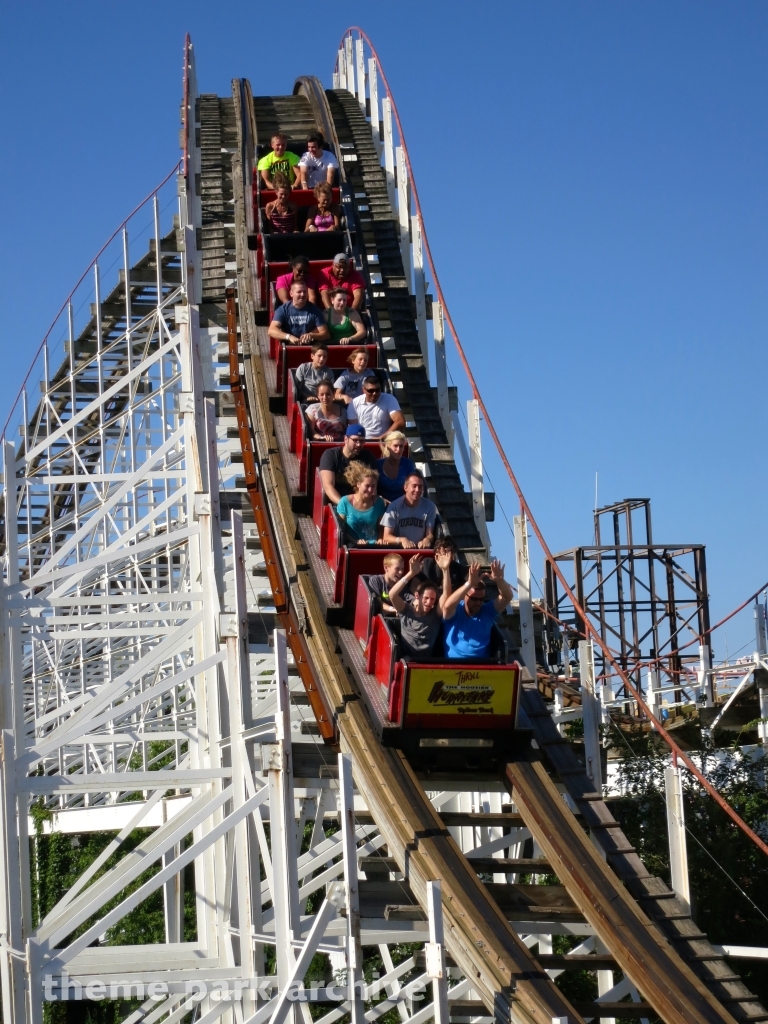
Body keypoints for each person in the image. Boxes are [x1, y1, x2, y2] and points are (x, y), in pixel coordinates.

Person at [442, 560, 514, 659]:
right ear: (465, 596)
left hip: (480, 667)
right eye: (474, 599)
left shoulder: (487, 611)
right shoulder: (456, 610)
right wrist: (469, 584)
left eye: (481, 599)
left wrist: (500, 581)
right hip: (454, 665)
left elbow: (507, 597)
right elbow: (446, 607)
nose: (478, 603)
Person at [387, 552, 454, 659]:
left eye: (432, 599)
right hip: (406, 659)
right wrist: (411, 573)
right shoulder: (406, 610)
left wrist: (445, 570)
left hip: (426, 661)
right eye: (426, 598)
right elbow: (392, 595)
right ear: (417, 596)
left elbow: (446, 594)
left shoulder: (435, 615)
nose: (429, 602)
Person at [318, 424, 377, 504]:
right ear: (346, 439)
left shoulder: (368, 456)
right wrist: (344, 505)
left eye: (362, 441)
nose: (359, 444)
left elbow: (373, 486)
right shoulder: (330, 455)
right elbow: (328, 486)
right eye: (355, 440)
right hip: (338, 504)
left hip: (361, 503)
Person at [381, 473, 437, 549]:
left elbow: (430, 534)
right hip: (399, 550)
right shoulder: (394, 507)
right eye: (414, 486)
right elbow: (386, 536)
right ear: (405, 488)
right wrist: (402, 540)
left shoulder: (430, 507)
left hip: (419, 549)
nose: (417, 490)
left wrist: (427, 540)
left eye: (420, 487)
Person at [336, 464, 387, 547]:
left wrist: (380, 539)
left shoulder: (379, 502)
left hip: (374, 545)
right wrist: (355, 541)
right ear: (358, 484)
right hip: (352, 545)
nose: (370, 490)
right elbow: (341, 529)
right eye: (367, 486)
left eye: (373, 486)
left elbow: (381, 527)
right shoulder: (345, 502)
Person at [268, 281, 329, 346]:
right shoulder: (283, 309)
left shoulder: (314, 310)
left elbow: (326, 334)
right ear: (291, 294)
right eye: (299, 292)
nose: (302, 294)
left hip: (310, 346)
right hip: (289, 346)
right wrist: (289, 337)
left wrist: (311, 335)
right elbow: (271, 330)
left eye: (304, 292)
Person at [348, 375, 405, 440]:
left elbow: (400, 422)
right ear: (363, 390)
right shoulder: (355, 403)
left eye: (377, 390)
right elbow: (353, 428)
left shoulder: (389, 399)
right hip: (361, 441)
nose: (375, 393)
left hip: (384, 440)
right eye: (371, 390)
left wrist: (381, 438)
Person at [377, 431, 417, 503]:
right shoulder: (378, 465)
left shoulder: (407, 464)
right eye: (395, 446)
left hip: (403, 505)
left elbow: (413, 486)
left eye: (401, 446)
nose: (398, 450)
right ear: (388, 447)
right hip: (382, 506)